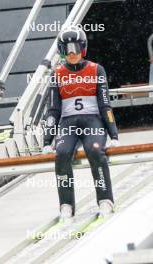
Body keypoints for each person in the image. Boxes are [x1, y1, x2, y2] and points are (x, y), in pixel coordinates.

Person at [43, 26, 119, 221]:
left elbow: (105, 105)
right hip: (68, 123)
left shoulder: (96, 69)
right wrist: (47, 140)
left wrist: (113, 134)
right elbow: (53, 109)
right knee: (62, 153)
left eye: (76, 47)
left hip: (92, 120)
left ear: (83, 48)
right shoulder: (57, 73)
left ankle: (105, 200)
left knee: (94, 150)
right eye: (67, 49)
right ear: (61, 51)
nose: (72, 53)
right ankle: (66, 204)